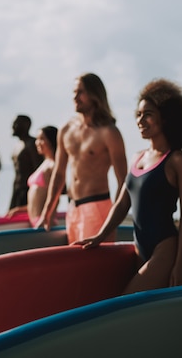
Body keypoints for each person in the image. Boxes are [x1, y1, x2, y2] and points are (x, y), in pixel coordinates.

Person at [75, 79, 182, 294]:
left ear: (166, 117)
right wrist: (100, 236)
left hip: (165, 247)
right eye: (139, 115)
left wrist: (181, 264)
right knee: (148, 309)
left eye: (148, 114)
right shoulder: (137, 157)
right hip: (138, 247)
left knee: (127, 298)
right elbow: (123, 203)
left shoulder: (178, 161)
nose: (141, 120)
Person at [37, 73, 127, 244]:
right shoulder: (66, 129)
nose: (75, 97)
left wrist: (113, 219)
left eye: (80, 92)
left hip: (97, 207)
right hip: (73, 208)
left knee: (95, 267)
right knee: (76, 264)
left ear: (95, 95)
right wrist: (47, 212)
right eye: (74, 92)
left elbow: (124, 182)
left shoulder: (109, 132)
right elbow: (58, 173)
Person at [7, 126, 59, 227]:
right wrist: (20, 209)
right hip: (36, 221)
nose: (37, 142)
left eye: (42, 139)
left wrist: (45, 218)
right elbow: (38, 199)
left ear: (51, 140)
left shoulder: (53, 166)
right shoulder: (45, 163)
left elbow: (56, 197)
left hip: (44, 223)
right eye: (37, 139)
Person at [9, 114, 43, 210]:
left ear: (26, 125)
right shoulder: (17, 146)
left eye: (16, 123)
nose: (13, 126)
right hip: (17, 190)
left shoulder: (32, 144)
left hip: (28, 190)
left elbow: (39, 170)